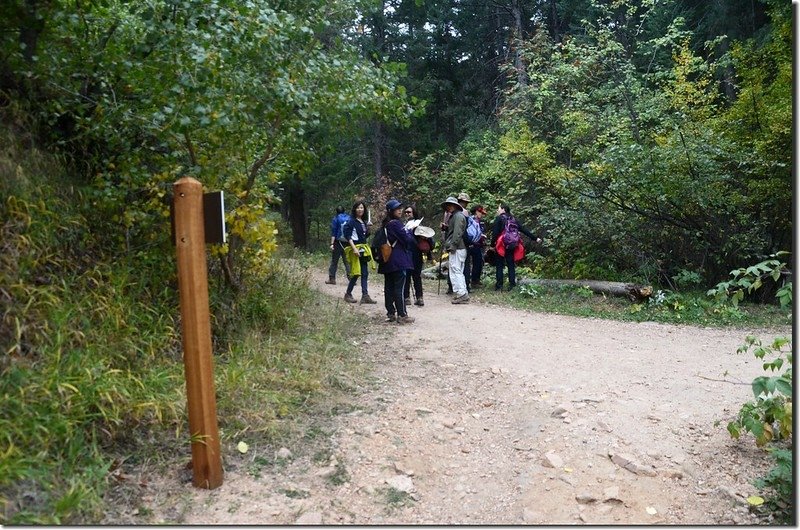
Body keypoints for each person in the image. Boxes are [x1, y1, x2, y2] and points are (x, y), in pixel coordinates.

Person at [376, 199, 418, 324]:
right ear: (390, 211)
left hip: (387, 260)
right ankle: (402, 315)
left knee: (389, 287)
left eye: (400, 208)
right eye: (397, 209)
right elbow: (407, 240)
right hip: (397, 260)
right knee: (399, 288)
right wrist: (409, 231)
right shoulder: (395, 224)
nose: (400, 210)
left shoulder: (386, 224)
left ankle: (390, 313)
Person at [491, 203, 540, 291]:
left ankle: (499, 286)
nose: (497, 210)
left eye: (498, 208)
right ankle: (512, 285)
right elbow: (524, 230)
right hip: (512, 244)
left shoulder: (499, 219)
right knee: (511, 264)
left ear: (503, 209)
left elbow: (495, 233)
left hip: (501, 244)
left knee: (499, 265)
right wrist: (535, 238)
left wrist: (492, 244)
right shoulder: (513, 219)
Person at [342, 201, 377, 305]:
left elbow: (364, 236)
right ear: (354, 209)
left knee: (364, 272)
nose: (360, 209)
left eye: (362, 208)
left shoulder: (363, 222)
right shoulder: (351, 221)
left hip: (363, 249)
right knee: (357, 273)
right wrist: (354, 249)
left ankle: (365, 295)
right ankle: (348, 294)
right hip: (356, 249)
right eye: (358, 208)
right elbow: (348, 236)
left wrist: (368, 228)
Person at [403, 205, 434, 307]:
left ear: (414, 213)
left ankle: (418, 298)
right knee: (408, 277)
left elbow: (429, 239)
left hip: (414, 253)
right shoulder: (404, 225)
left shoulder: (418, 226)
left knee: (414, 276)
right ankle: (409, 297)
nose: (407, 214)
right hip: (408, 253)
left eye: (409, 212)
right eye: (406, 212)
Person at [442, 196, 469, 304]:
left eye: (449, 205)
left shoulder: (458, 216)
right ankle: (462, 292)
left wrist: (452, 245)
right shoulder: (455, 216)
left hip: (458, 248)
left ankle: (461, 293)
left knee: (456, 270)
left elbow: (458, 233)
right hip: (458, 247)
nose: (448, 207)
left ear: (454, 206)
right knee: (456, 270)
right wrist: (446, 228)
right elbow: (454, 231)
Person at [326, 206, 351, 285]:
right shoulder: (349, 218)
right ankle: (351, 279)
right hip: (348, 242)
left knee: (334, 261)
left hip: (338, 242)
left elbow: (334, 233)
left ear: (336, 211)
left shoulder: (335, 219)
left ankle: (332, 279)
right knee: (347, 261)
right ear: (344, 211)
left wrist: (332, 243)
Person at [468, 204, 488, 287]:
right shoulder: (469, 220)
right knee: (467, 263)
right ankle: (468, 281)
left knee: (479, 263)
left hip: (479, 245)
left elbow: (483, 231)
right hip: (469, 244)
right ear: (476, 212)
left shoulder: (481, 222)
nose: (481, 215)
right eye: (480, 213)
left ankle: (475, 280)